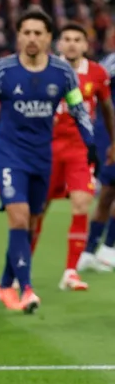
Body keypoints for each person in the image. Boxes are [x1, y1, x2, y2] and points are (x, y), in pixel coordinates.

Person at [0, 8, 96, 313]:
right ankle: (26, 289)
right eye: (26, 32)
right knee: (18, 216)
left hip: (43, 156)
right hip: (10, 154)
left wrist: (90, 141)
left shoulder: (62, 73)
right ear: (18, 36)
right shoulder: (3, 70)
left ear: (48, 38)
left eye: (38, 33)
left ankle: (4, 284)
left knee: (30, 222)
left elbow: (78, 109)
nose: (32, 38)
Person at [30, 23, 115, 290]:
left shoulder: (98, 74)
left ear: (85, 45)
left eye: (77, 39)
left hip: (80, 150)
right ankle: (22, 268)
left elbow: (107, 109)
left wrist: (114, 142)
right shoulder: (43, 69)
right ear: (59, 44)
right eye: (67, 39)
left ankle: (71, 271)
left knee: (81, 204)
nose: (72, 44)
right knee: (37, 211)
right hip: (47, 149)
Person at [78, 52, 115, 272]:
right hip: (109, 135)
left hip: (106, 134)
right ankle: (99, 249)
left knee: (108, 193)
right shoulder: (109, 64)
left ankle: (100, 249)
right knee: (108, 193)